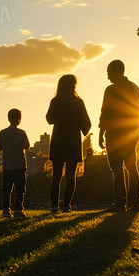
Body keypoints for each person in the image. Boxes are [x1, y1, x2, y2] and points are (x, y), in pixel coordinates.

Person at [98, 59, 139, 213]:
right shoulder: (135, 88)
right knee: (132, 166)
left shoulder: (110, 90)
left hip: (115, 133)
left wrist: (101, 133)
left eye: (109, 73)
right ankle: (136, 204)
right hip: (131, 132)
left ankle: (119, 203)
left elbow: (105, 113)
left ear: (116, 72)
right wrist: (136, 132)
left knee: (117, 168)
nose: (108, 77)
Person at [46, 74, 92, 213]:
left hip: (58, 140)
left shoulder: (55, 101)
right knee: (71, 176)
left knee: (56, 176)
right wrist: (81, 128)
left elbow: (49, 119)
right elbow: (87, 123)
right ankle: (67, 206)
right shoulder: (78, 102)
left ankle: (54, 206)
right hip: (73, 142)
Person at [0, 108, 30, 218]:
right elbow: (27, 145)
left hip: (7, 165)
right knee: (20, 189)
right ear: (19, 120)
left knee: (6, 189)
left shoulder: (3, 132)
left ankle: (6, 210)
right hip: (19, 165)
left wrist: (6, 146)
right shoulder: (22, 133)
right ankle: (18, 210)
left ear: (8, 118)